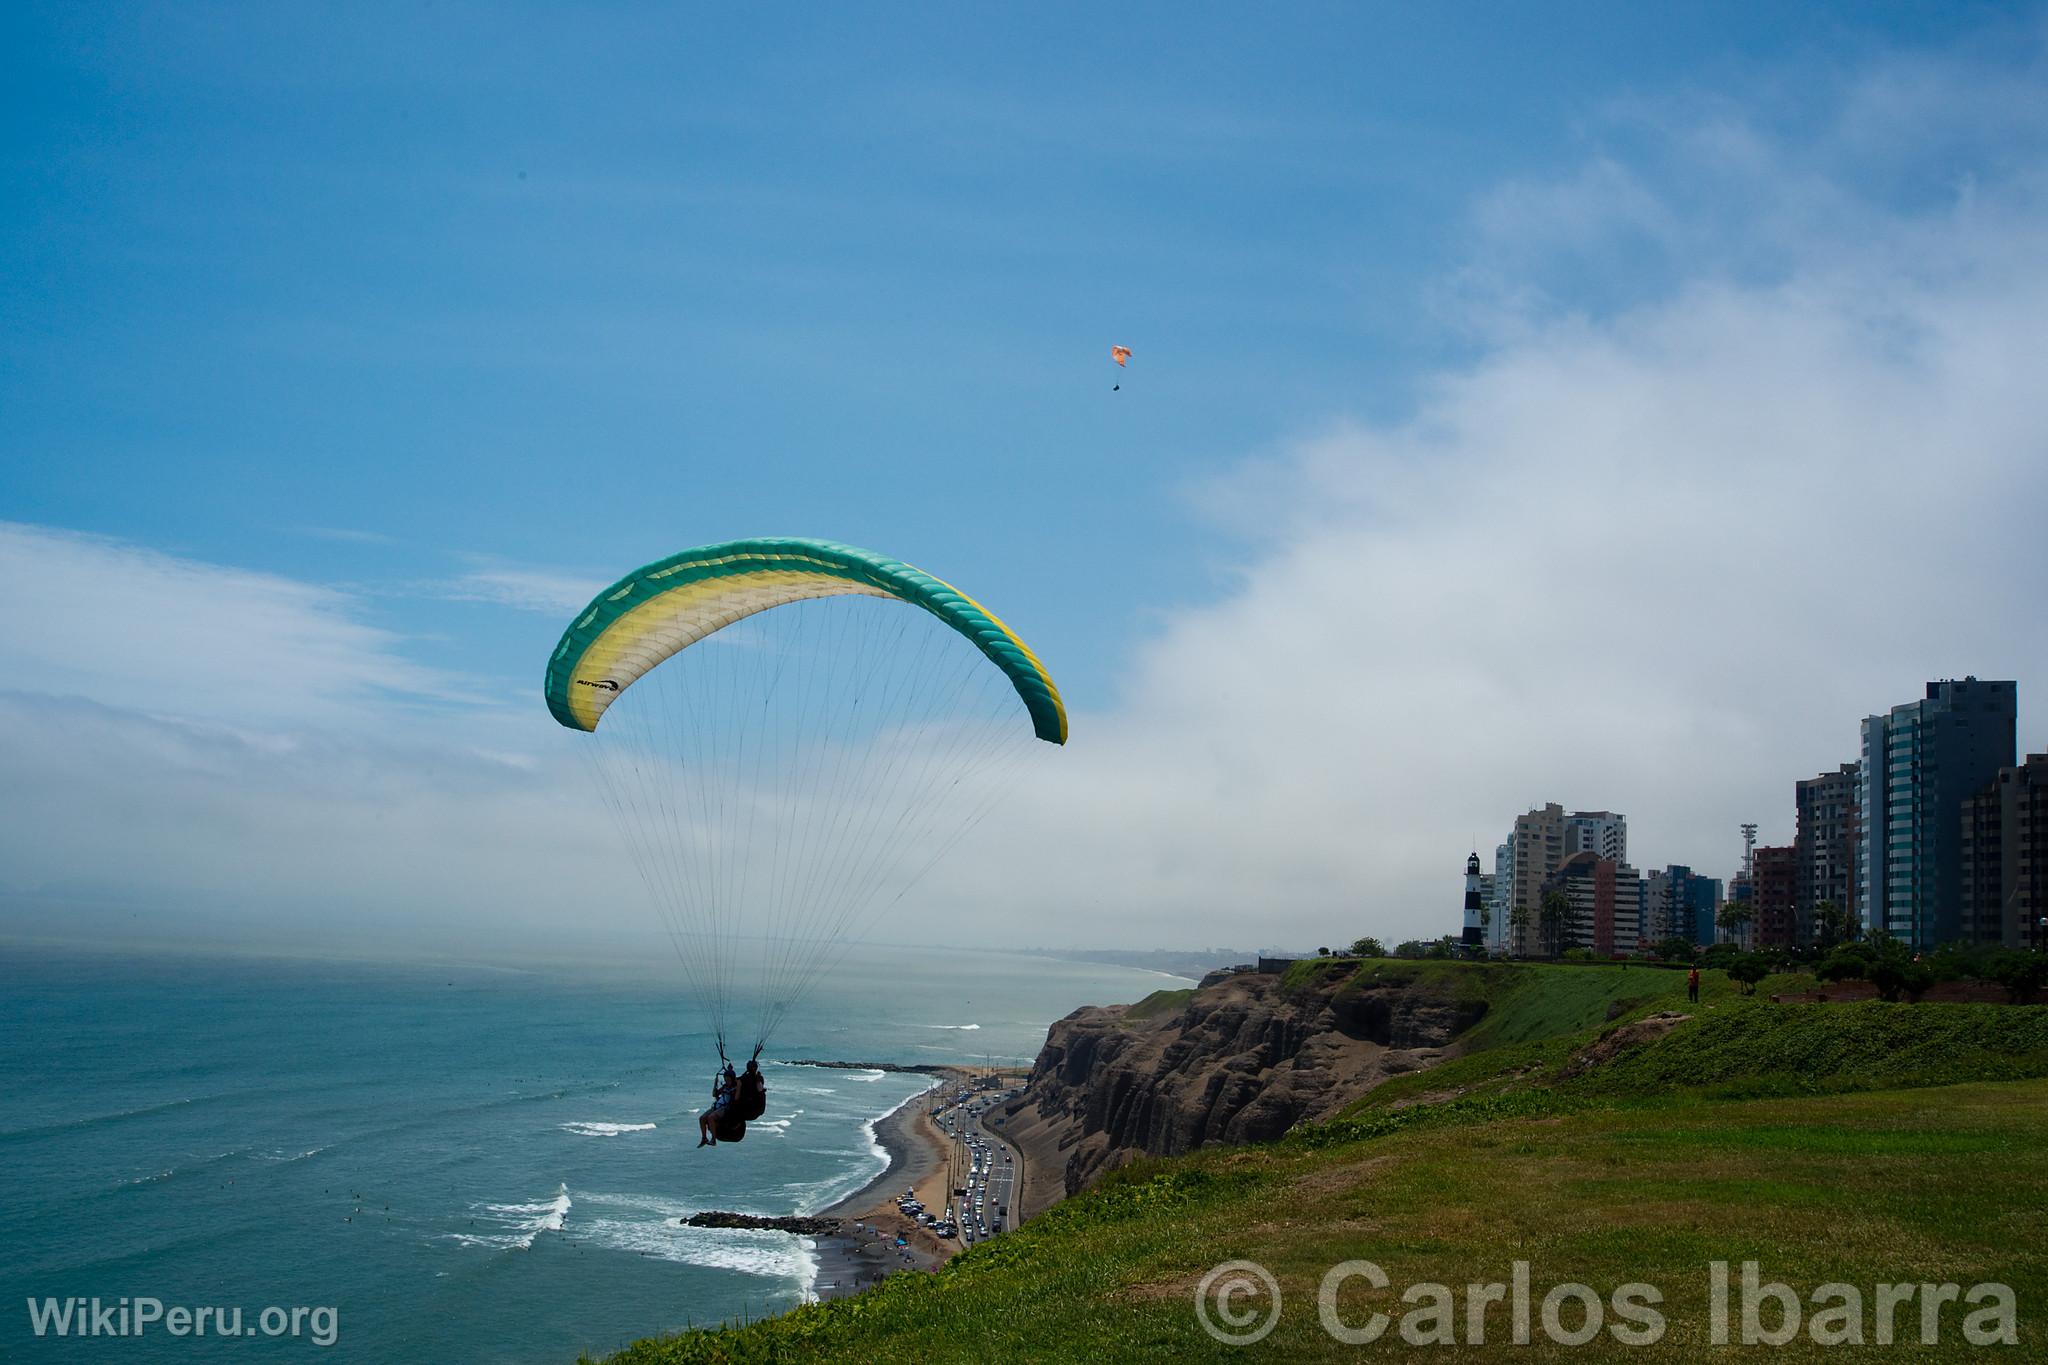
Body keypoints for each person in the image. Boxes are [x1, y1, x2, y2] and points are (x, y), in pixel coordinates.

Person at [698, 1064, 739, 1147]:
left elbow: (736, 1098)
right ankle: (704, 1138)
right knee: (702, 1118)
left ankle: (713, 1139)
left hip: (725, 1108)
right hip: (717, 1106)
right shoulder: (724, 1087)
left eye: (728, 1080)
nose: (727, 1081)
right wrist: (715, 1083)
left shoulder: (735, 1088)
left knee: (711, 1117)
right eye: (726, 1080)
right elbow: (714, 1094)